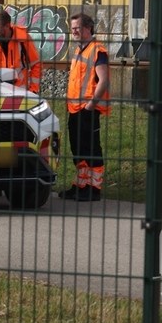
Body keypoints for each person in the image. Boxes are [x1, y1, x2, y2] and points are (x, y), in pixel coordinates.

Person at [59, 12, 110, 202]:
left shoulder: (97, 50)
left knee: (91, 148)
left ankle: (94, 188)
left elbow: (103, 81)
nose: (74, 32)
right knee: (78, 148)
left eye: (77, 28)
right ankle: (81, 184)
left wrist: (91, 105)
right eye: (72, 28)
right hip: (74, 108)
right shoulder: (80, 49)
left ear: (88, 28)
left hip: (87, 109)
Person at [0, 9, 42, 94]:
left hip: (19, 92)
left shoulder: (23, 40)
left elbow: (36, 64)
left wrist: (33, 89)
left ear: (7, 26)